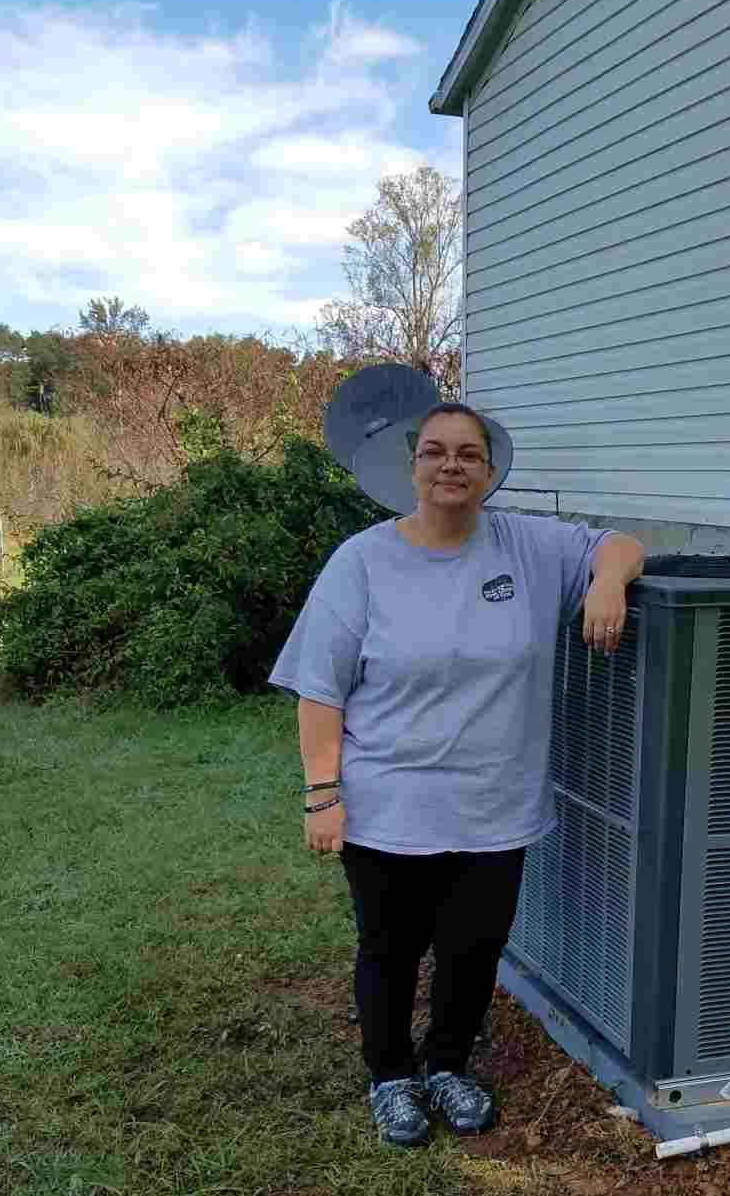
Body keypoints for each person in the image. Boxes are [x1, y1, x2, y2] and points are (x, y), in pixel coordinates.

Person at [268, 403, 645, 1147]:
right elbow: (321, 688)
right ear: (412, 467)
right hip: (387, 807)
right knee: (390, 948)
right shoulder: (363, 561)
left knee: (474, 949)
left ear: (490, 472)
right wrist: (322, 795)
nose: (452, 467)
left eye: (469, 455)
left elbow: (623, 544)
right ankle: (391, 1078)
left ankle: (447, 1065)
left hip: (494, 807)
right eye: (436, 453)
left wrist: (606, 584)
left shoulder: (529, 547)